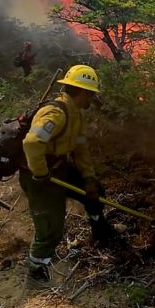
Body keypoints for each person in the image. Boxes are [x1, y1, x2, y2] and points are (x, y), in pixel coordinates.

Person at [19, 64, 116, 288]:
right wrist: (41, 173)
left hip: (60, 168)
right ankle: (35, 272)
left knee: (95, 194)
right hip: (38, 176)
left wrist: (89, 178)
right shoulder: (55, 113)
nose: (92, 98)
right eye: (91, 93)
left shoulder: (76, 114)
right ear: (81, 92)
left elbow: (80, 149)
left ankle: (101, 230)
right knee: (51, 228)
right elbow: (32, 143)